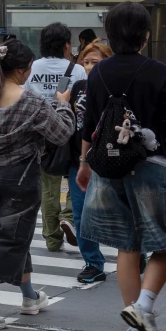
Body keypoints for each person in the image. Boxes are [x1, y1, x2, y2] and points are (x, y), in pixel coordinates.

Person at [78, 2, 166, 331]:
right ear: (145, 36)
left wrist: (85, 164)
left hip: (109, 169)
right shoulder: (158, 71)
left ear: (111, 35)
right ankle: (142, 308)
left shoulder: (97, 72)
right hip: (151, 169)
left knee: (126, 245)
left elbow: (91, 125)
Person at [0, 40, 74, 329]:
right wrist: (63, 105)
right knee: (8, 239)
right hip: (20, 177)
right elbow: (61, 133)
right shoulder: (31, 103)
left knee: (10, 236)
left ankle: (30, 297)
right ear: (22, 70)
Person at [26, 22, 85, 253]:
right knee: (74, 181)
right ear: (66, 45)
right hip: (69, 134)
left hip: (41, 134)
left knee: (48, 188)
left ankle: (52, 238)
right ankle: (69, 217)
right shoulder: (76, 70)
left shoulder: (31, 68)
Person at [66, 39, 111, 285]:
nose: (89, 67)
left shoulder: (116, 87)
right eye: (86, 62)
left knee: (121, 210)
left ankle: (137, 254)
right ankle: (93, 263)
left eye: (95, 62)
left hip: (112, 160)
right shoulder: (78, 87)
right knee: (82, 214)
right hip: (79, 160)